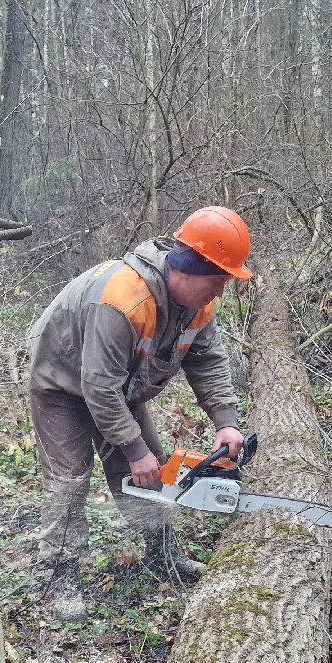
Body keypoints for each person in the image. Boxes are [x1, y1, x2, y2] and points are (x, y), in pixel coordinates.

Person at [26, 207, 253, 622]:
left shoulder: (198, 304)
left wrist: (226, 420)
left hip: (119, 385)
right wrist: (131, 448)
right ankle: (63, 573)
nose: (219, 292)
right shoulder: (123, 300)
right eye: (217, 280)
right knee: (70, 477)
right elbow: (97, 386)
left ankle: (161, 552)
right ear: (187, 268)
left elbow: (206, 360)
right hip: (61, 382)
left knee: (154, 467)